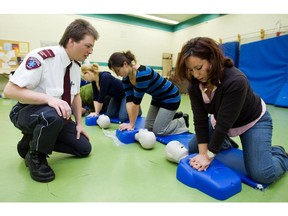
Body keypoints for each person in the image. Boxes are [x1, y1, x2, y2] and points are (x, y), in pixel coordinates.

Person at [175, 37, 288, 184]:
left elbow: (223, 125)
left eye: (199, 68)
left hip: (252, 121)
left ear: (212, 59)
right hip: (223, 121)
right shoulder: (195, 85)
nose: (196, 75)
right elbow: (200, 120)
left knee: (262, 174)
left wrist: (209, 156)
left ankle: (280, 154)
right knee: (194, 148)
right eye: (191, 70)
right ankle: (225, 143)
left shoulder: (236, 81)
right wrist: (203, 154)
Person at [3, 19, 99, 183]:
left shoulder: (75, 65)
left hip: (54, 117)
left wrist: (78, 124)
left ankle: (29, 142)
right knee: (53, 113)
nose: (90, 51)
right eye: (88, 46)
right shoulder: (42, 58)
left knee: (84, 148)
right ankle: (36, 157)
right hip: (25, 112)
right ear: (71, 41)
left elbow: (75, 95)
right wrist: (49, 99)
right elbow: (9, 91)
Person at [108, 51, 189, 136]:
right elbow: (129, 102)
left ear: (125, 64)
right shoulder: (125, 80)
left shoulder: (142, 74)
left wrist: (131, 124)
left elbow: (136, 104)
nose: (117, 75)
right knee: (148, 128)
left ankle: (182, 121)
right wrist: (130, 123)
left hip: (170, 97)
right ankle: (173, 116)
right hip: (157, 98)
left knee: (158, 131)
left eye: (118, 71)